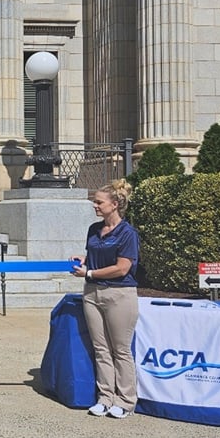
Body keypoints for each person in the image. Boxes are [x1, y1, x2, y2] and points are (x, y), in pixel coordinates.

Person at [71, 179, 140, 419]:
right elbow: (95, 257)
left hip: (119, 294)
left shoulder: (128, 233)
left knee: (120, 350)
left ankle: (126, 400)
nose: (95, 205)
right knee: (100, 349)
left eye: (99, 202)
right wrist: (84, 260)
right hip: (92, 292)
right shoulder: (93, 229)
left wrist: (89, 272)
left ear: (115, 204)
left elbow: (122, 268)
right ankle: (105, 397)